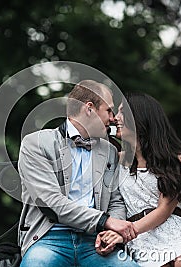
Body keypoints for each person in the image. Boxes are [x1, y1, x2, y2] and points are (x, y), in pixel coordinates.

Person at [17, 80, 139, 267]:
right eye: (108, 110)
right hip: (48, 238)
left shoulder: (109, 151)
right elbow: (51, 202)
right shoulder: (36, 144)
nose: (113, 118)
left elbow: (116, 200)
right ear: (89, 109)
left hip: (95, 241)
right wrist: (105, 221)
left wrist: (113, 233)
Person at [99, 92, 181, 266]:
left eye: (122, 112)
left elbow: (164, 211)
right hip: (140, 238)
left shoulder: (172, 160)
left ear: (139, 119)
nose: (115, 118)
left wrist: (125, 233)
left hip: (173, 231)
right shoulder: (117, 159)